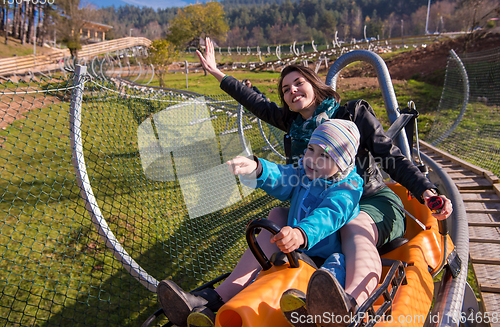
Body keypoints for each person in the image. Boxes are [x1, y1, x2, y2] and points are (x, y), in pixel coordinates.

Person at [191, 37, 453, 327]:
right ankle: (221, 296)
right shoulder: (295, 125)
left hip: (366, 199)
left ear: (314, 84)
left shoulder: (351, 115)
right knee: (277, 217)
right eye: (285, 89)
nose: (292, 90)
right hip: (319, 200)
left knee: (354, 224)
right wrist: (218, 74)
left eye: (298, 82)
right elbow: (258, 106)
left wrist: (426, 190)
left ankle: (352, 302)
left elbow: (390, 155)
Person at [158, 119, 364, 327]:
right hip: (293, 253)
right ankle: (215, 302)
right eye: (311, 149)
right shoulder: (304, 173)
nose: (312, 159)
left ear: (342, 163)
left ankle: (317, 309)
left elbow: (331, 213)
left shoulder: (348, 186)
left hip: (321, 256)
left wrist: (302, 233)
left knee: (337, 264)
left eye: (325, 156)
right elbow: (283, 177)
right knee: (267, 263)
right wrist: (258, 169)